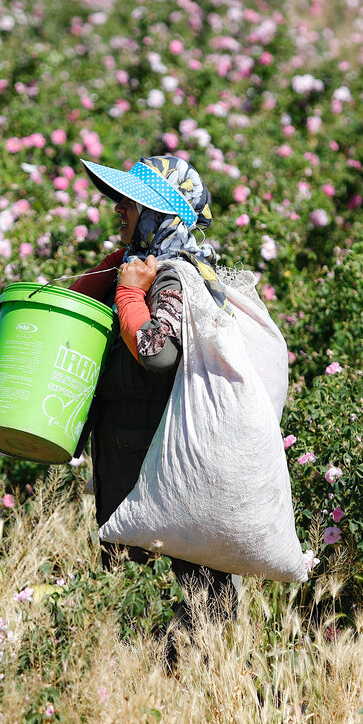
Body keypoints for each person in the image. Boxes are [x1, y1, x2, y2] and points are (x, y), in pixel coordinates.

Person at [68, 154, 238, 671]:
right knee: (147, 589)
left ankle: (190, 689)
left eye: (132, 202)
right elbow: (80, 294)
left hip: (157, 465)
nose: (119, 208)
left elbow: (157, 353)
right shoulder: (140, 266)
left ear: (159, 215)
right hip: (138, 460)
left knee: (179, 590)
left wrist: (127, 292)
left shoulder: (172, 278)